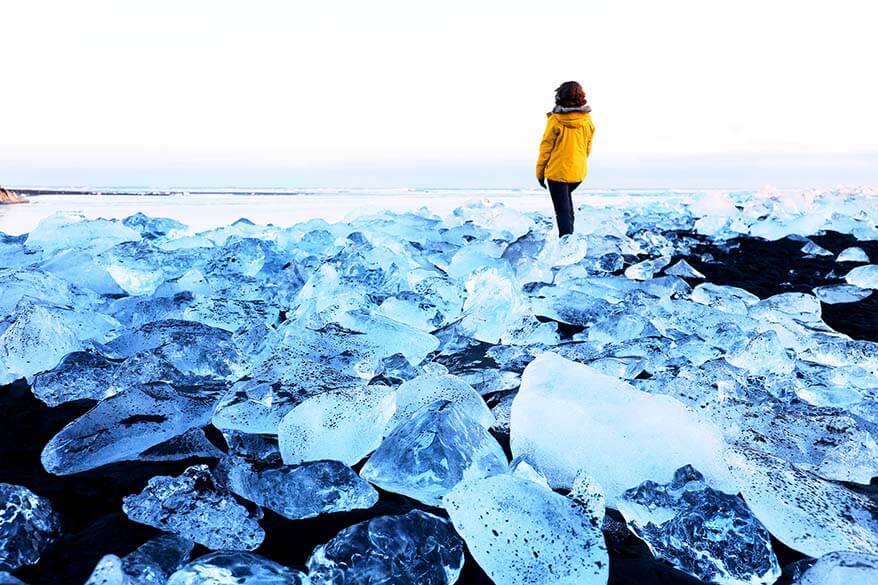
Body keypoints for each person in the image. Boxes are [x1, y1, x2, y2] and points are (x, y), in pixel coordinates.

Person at [535, 81, 595, 237]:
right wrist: (579, 164)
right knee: (567, 208)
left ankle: (566, 246)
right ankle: (571, 241)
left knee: (562, 211)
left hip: (557, 173)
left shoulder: (555, 120)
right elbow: (587, 147)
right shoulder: (587, 120)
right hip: (578, 173)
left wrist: (540, 173)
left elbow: (545, 148)